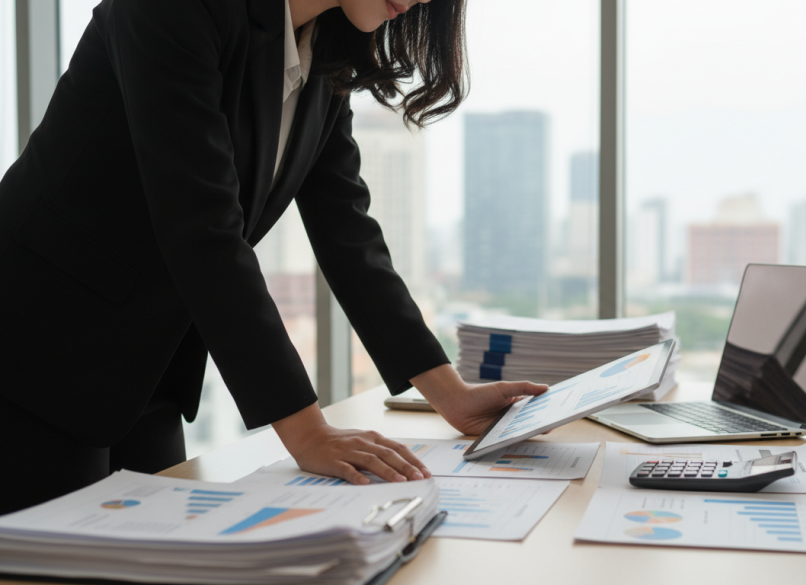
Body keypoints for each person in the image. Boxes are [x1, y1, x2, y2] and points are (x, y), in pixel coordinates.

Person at [0, 0, 546, 515]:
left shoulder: (322, 48)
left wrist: (449, 395)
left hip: (146, 366)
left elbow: (346, 229)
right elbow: (204, 229)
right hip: (37, 348)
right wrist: (306, 432)